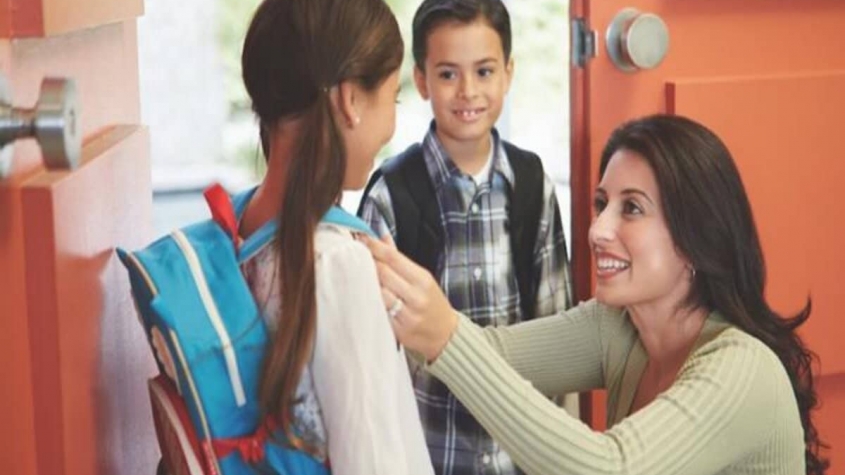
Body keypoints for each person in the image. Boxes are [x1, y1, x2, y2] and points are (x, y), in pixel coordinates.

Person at [363, 115, 828, 475]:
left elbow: (608, 469)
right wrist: (380, 286)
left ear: (695, 238)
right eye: (602, 204)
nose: (598, 229)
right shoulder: (620, 326)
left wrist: (444, 335)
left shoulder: (742, 370)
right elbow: (488, 354)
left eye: (632, 208)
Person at [168, 0, 432, 473]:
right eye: (392, 98)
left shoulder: (235, 231)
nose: (390, 126)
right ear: (350, 101)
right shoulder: (339, 263)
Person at [357, 1, 572, 473]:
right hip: (429, 457)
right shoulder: (391, 197)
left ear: (508, 73)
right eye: (448, 74)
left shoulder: (532, 185)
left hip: (520, 458)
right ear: (421, 80)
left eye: (484, 71)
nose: (468, 91)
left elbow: (557, 331)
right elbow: (373, 358)